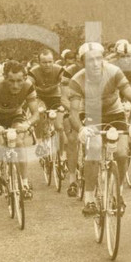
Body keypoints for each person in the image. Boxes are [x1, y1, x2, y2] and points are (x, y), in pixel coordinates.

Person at [67, 42, 131, 217]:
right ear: (82, 62)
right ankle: (89, 199)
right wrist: (81, 129)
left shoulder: (114, 72)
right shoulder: (77, 80)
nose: (95, 63)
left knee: (122, 154)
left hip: (114, 113)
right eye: (90, 60)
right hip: (90, 115)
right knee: (94, 149)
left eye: (98, 59)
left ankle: (118, 193)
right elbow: (73, 113)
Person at [0, 59, 40, 200]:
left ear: (25, 78)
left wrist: (27, 124)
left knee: (19, 143)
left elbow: (36, 113)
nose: (15, 85)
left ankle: (24, 183)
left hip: (15, 115)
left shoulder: (28, 86)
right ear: (5, 77)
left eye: (19, 81)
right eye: (11, 81)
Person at [28, 49, 77, 194]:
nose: (47, 65)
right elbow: (29, 86)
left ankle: (62, 156)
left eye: (50, 62)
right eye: (44, 62)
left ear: (53, 61)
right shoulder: (33, 72)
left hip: (56, 97)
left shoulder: (59, 69)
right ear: (39, 62)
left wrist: (67, 101)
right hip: (39, 98)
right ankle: (40, 143)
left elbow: (66, 84)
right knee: (39, 116)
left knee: (59, 127)